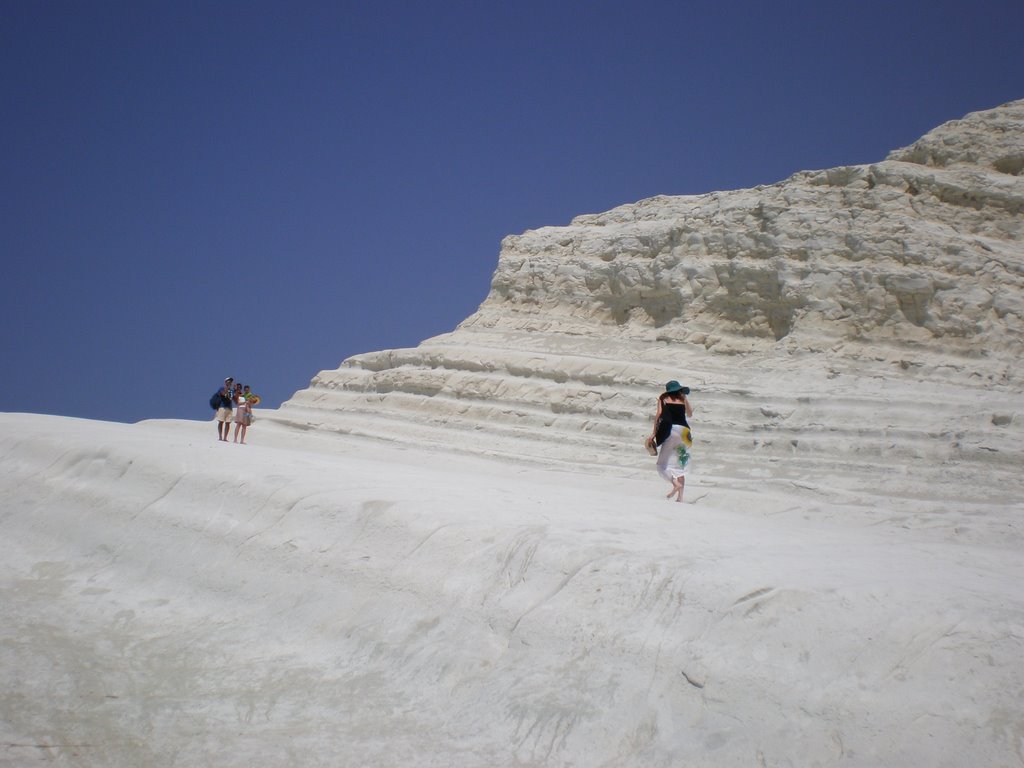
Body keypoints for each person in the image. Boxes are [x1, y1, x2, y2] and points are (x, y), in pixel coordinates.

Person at [648, 380, 694, 502]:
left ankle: (675, 483)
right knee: (681, 464)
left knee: (661, 465)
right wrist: (684, 398)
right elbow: (690, 414)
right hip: (685, 433)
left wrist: (654, 433)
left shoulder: (663, 398)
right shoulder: (682, 399)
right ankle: (680, 497)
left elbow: (659, 415)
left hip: (672, 430)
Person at [214, 377, 235, 442]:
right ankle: (220, 436)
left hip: (229, 407)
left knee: (228, 423)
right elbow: (222, 394)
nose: (230, 383)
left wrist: (231, 390)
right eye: (228, 381)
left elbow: (230, 398)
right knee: (221, 421)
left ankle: (225, 437)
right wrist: (227, 388)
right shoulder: (221, 388)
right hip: (222, 407)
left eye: (230, 382)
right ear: (225, 382)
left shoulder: (231, 391)